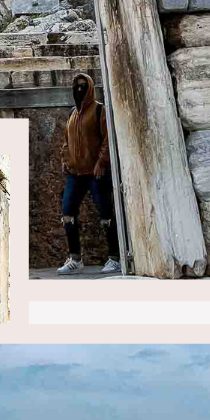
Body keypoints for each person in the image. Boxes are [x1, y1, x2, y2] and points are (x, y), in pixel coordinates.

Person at [58, 72, 121, 275]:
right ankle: (75, 258)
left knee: (106, 215)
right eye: (76, 86)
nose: (80, 89)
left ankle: (115, 258)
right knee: (68, 214)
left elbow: (107, 138)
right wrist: (65, 160)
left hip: (96, 172)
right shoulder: (71, 113)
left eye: (83, 85)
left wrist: (102, 162)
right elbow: (66, 142)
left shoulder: (99, 110)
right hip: (75, 174)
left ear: (90, 87)